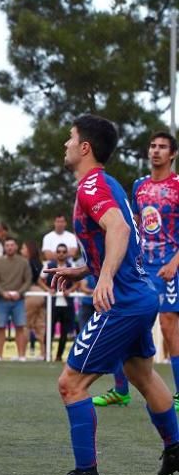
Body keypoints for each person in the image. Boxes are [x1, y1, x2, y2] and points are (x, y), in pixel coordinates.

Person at [44, 114, 179, 475]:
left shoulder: (91, 185)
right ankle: (176, 446)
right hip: (140, 296)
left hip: (121, 301)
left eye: (70, 138)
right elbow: (118, 239)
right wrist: (84, 270)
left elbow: (118, 229)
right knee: (142, 374)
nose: (66, 145)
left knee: (70, 383)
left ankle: (86, 473)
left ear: (85, 147)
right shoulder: (110, 184)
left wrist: (103, 278)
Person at [94, 131, 179, 409]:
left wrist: (175, 262)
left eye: (163, 147)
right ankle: (121, 390)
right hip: (142, 265)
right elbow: (135, 224)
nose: (156, 151)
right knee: (125, 319)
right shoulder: (139, 185)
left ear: (173, 154)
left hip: (169, 265)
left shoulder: (178, 185)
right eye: (153, 146)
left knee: (169, 325)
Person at [0, 237, 32, 361]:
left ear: (16, 247)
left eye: (12, 245)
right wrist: (2, 292)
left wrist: (19, 293)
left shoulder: (24, 262)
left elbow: (28, 280)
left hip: (18, 300)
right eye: (7, 245)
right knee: (0, 327)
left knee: (20, 327)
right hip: (2, 300)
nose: (9, 247)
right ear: (4, 247)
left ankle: (21, 355)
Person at [46, 243, 78, 363]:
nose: (61, 254)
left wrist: (69, 290)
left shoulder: (72, 266)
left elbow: (77, 283)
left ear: (67, 253)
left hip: (66, 304)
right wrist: (48, 289)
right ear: (56, 253)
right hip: (52, 303)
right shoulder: (49, 265)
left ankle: (59, 356)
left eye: (64, 252)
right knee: (49, 330)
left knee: (65, 332)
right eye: (59, 251)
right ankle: (46, 354)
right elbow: (40, 280)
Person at [21, 240, 48, 358]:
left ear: (28, 250)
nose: (21, 251)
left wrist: (46, 288)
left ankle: (22, 353)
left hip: (32, 292)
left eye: (23, 248)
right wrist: (46, 290)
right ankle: (44, 353)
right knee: (40, 324)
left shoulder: (27, 263)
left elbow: (37, 279)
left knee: (25, 323)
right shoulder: (39, 263)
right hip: (41, 295)